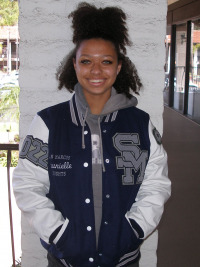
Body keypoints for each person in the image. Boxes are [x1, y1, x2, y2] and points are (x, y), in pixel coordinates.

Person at [13, 2, 171, 267]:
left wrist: (135, 229)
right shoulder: (48, 123)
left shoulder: (140, 123)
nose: (96, 71)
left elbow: (157, 184)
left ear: (119, 67)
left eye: (106, 62)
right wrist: (58, 234)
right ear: (74, 65)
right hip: (65, 259)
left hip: (123, 259)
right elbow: (27, 185)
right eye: (86, 61)